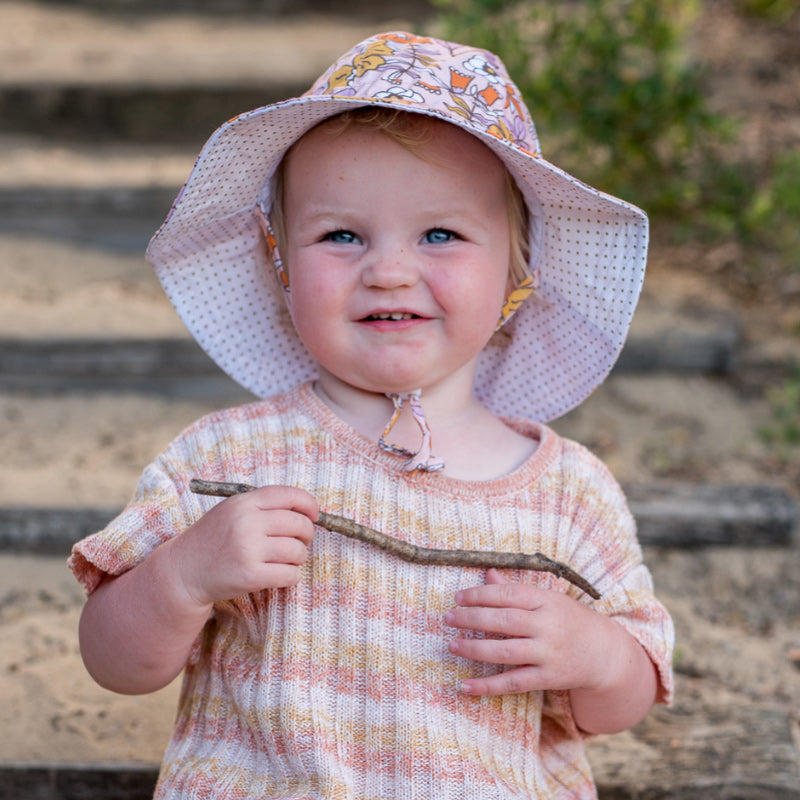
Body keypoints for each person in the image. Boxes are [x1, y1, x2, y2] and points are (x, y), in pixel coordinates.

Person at [69, 31, 674, 799]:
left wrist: (598, 657)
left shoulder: (569, 494)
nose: (389, 271)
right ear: (280, 267)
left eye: (442, 234)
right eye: (342, 235)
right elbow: (113, 661)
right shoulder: (226, 459)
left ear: (518, 273)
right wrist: (182, 577)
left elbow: (626, 699)